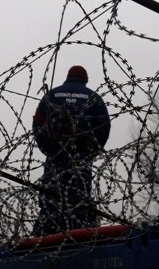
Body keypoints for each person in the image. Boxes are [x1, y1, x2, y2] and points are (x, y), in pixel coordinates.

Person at [32, 65, 110, 235]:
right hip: (81, 156)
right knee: (79, 198)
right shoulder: (93, 97)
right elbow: (104, 127)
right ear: (85, 80)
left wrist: (48, 148)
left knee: (51, 195)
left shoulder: (52, 94)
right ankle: (78, 234)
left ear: (67, 77)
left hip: (55, 154)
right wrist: (92, 151)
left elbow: (37, 124)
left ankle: (47, 235)